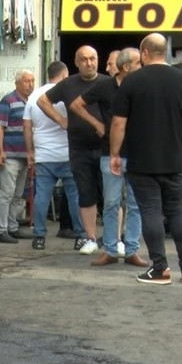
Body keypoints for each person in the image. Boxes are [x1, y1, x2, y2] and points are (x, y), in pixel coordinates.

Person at [110, 33, 182, 285]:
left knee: (150, 211)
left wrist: (115, 154)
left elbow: (118, 123)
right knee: (178, 211)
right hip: (174, 159)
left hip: (142, 160)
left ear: (144, 53)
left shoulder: (132, 81)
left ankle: (160, 268)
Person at [68, 47, 148, 268]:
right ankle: (111, 250)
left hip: (137, 152)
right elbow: (76, 105)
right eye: (138, 63)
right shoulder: (105, 86)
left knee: (135, 203)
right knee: (111, 203)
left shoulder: (142, 86)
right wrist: (97, 123)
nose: (141, 66)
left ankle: (131, 250)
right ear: (126, 67)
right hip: (110, 152)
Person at [37, 45, 105, 255]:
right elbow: (42, 101)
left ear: (98, 60)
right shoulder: (68, 84)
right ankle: (90, 238)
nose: (89, 63)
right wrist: (60, 120)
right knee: (85, 194)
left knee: (111, 197)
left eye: (92, 58)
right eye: (84, 59)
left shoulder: (107, 83)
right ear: (76, 62)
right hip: (79, 149)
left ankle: (114, 239)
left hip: (106, 147)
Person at [23, 61, 84, 250]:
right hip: (68, 153)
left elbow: (27, 127)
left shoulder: (34, 96)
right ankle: (80, 236)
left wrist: (30, 151)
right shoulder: (69, 93)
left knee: (41, 195)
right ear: (64, 75)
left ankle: (39, 237)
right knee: (74, 196)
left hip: (44, 155)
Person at [0, 70, 36, 244]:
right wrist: (0, 151)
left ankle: (12, 227)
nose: (30, 84)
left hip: (24, 155)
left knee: (18, 194)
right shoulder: (8, 101)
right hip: (10, 155)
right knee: (7, 193)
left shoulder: (31, 102)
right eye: (26, 81)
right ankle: (0, 230)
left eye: (32, 81)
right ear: (17, 83)